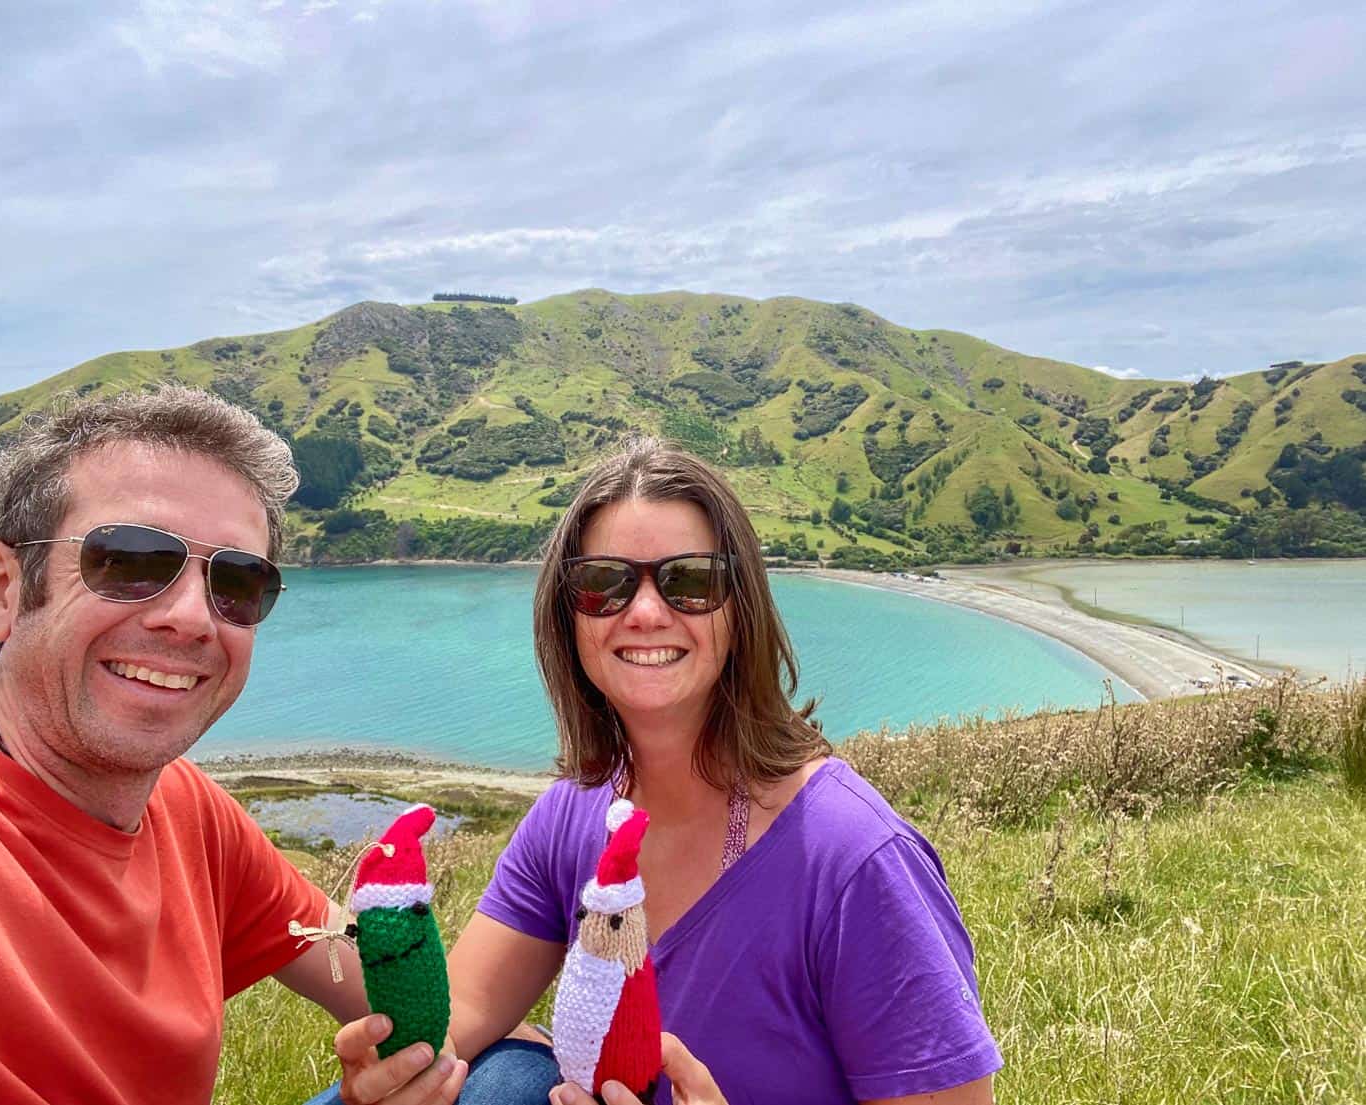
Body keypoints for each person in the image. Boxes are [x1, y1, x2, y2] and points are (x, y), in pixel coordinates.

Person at [341, 437, 1002, 1105]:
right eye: (605, 582)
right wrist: (402, 1072)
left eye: (689, 580)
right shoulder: (573, 814)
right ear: (568, 617)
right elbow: (462, 1015)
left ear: (740, 610)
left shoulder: (855, 861)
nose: (647, 611)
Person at [0, 386, 470, 1105]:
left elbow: (372, 969)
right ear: (2, 588)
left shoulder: (187, 814)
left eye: (237, 582)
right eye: (129, 561)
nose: (190, 618)